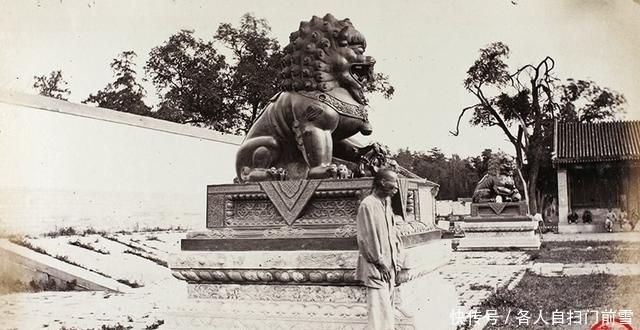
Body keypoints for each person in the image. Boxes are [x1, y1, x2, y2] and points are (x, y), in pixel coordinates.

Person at [356, 168, 402, 330]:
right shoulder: (368, 204)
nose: (397, 187)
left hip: (390, 266)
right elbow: (365, 238)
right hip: (377, 267)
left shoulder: (386, 204)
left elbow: (394, 235)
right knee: (378, 312)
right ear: (382, 182)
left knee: (387, 310)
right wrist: (379, 261)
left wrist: (398, 261)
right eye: (394, 183)